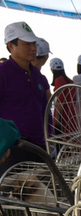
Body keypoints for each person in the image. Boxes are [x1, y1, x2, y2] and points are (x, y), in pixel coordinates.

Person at [0, 21, 49, 174]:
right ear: (10, 46)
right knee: (12, 196)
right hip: (12, 150)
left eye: (33, 43)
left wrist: (49, 140)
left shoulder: (38, 77)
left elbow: (45, 112)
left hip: (39, 149)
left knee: (43, 195)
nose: (33, 48)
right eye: (27, 44)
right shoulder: (3, 74)